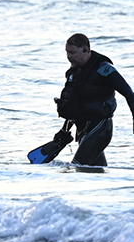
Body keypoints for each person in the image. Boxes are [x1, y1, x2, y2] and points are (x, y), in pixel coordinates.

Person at [55, 33, 134, 166]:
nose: (69, 57)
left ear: (86, 50)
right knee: (96, 170)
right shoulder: (75, 72)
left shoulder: (104, 69)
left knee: (78, 167)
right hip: (83, 128)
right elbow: (74, 105)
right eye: (67, 52)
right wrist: (65, 130)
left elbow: (128, 93)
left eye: (73, 53)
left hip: (100, 127)